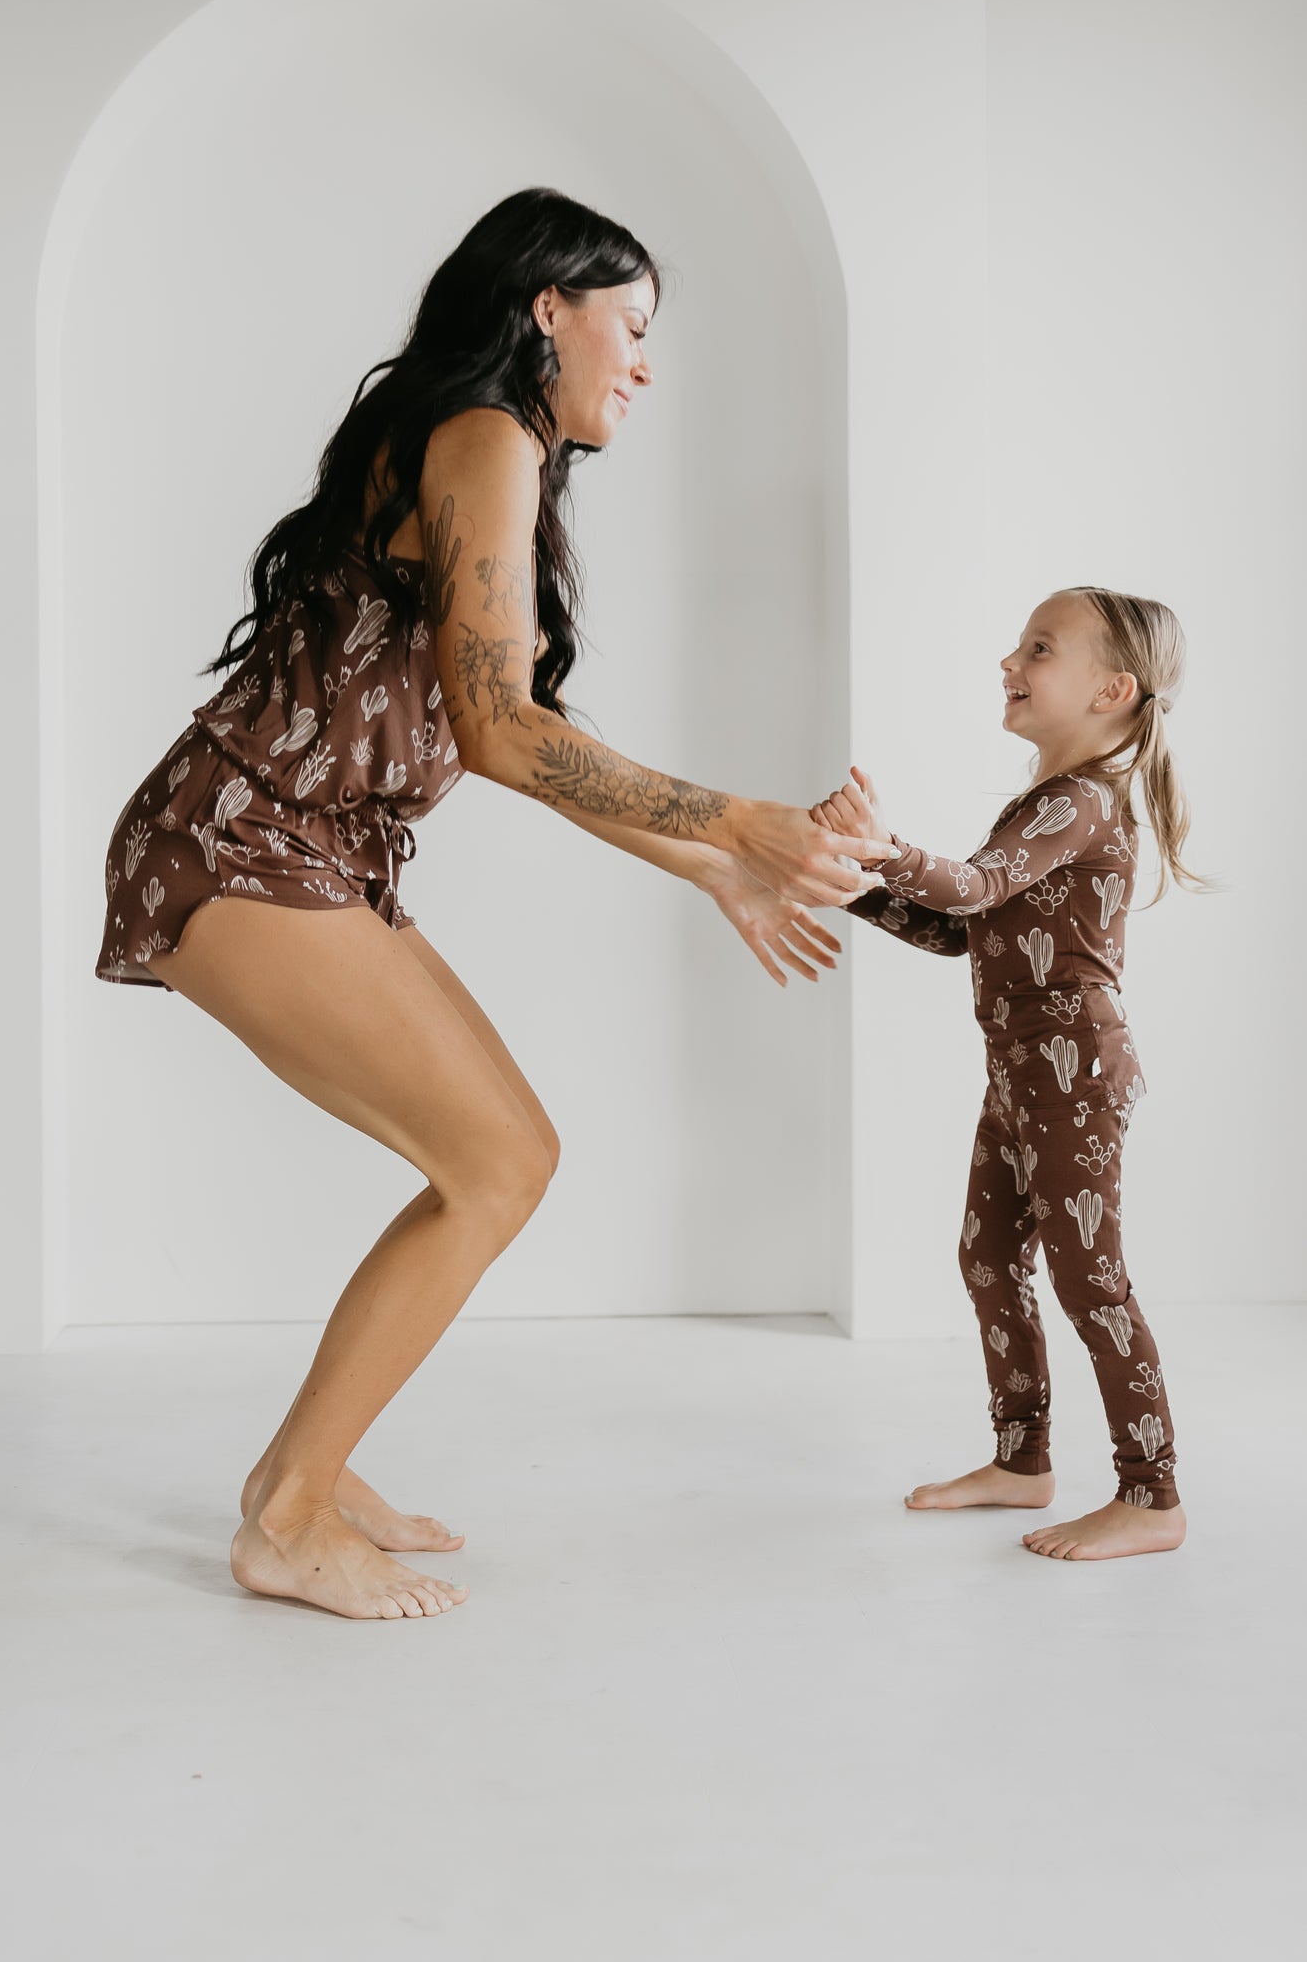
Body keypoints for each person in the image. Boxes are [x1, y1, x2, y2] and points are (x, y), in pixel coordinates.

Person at [96, 187, 889, 1621]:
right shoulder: (485, 438)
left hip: (298, 844)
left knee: (501, 1154)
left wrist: (718, 865)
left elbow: (506, 725)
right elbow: (510, 730)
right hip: (242, 840)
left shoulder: (481, 446)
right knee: (500, 1160)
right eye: (630, 327)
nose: (645, 364)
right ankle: (285, 1516)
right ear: (547, 310)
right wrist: (742, 819)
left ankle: (301, 1473)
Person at [815, 587, 1205, 1562]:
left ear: (1111, 690)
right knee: (987, 1257)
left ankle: (1151, 1496)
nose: (1009, 661)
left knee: (1089, 1277)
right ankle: (1020, 1459)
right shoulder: (1046, 803)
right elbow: (962, 930)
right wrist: (853, 886)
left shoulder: (1080, 800)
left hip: (1072, 1072)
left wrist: (882, 848)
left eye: (1038, 647)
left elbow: (975, 884)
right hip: (1022, 1073)